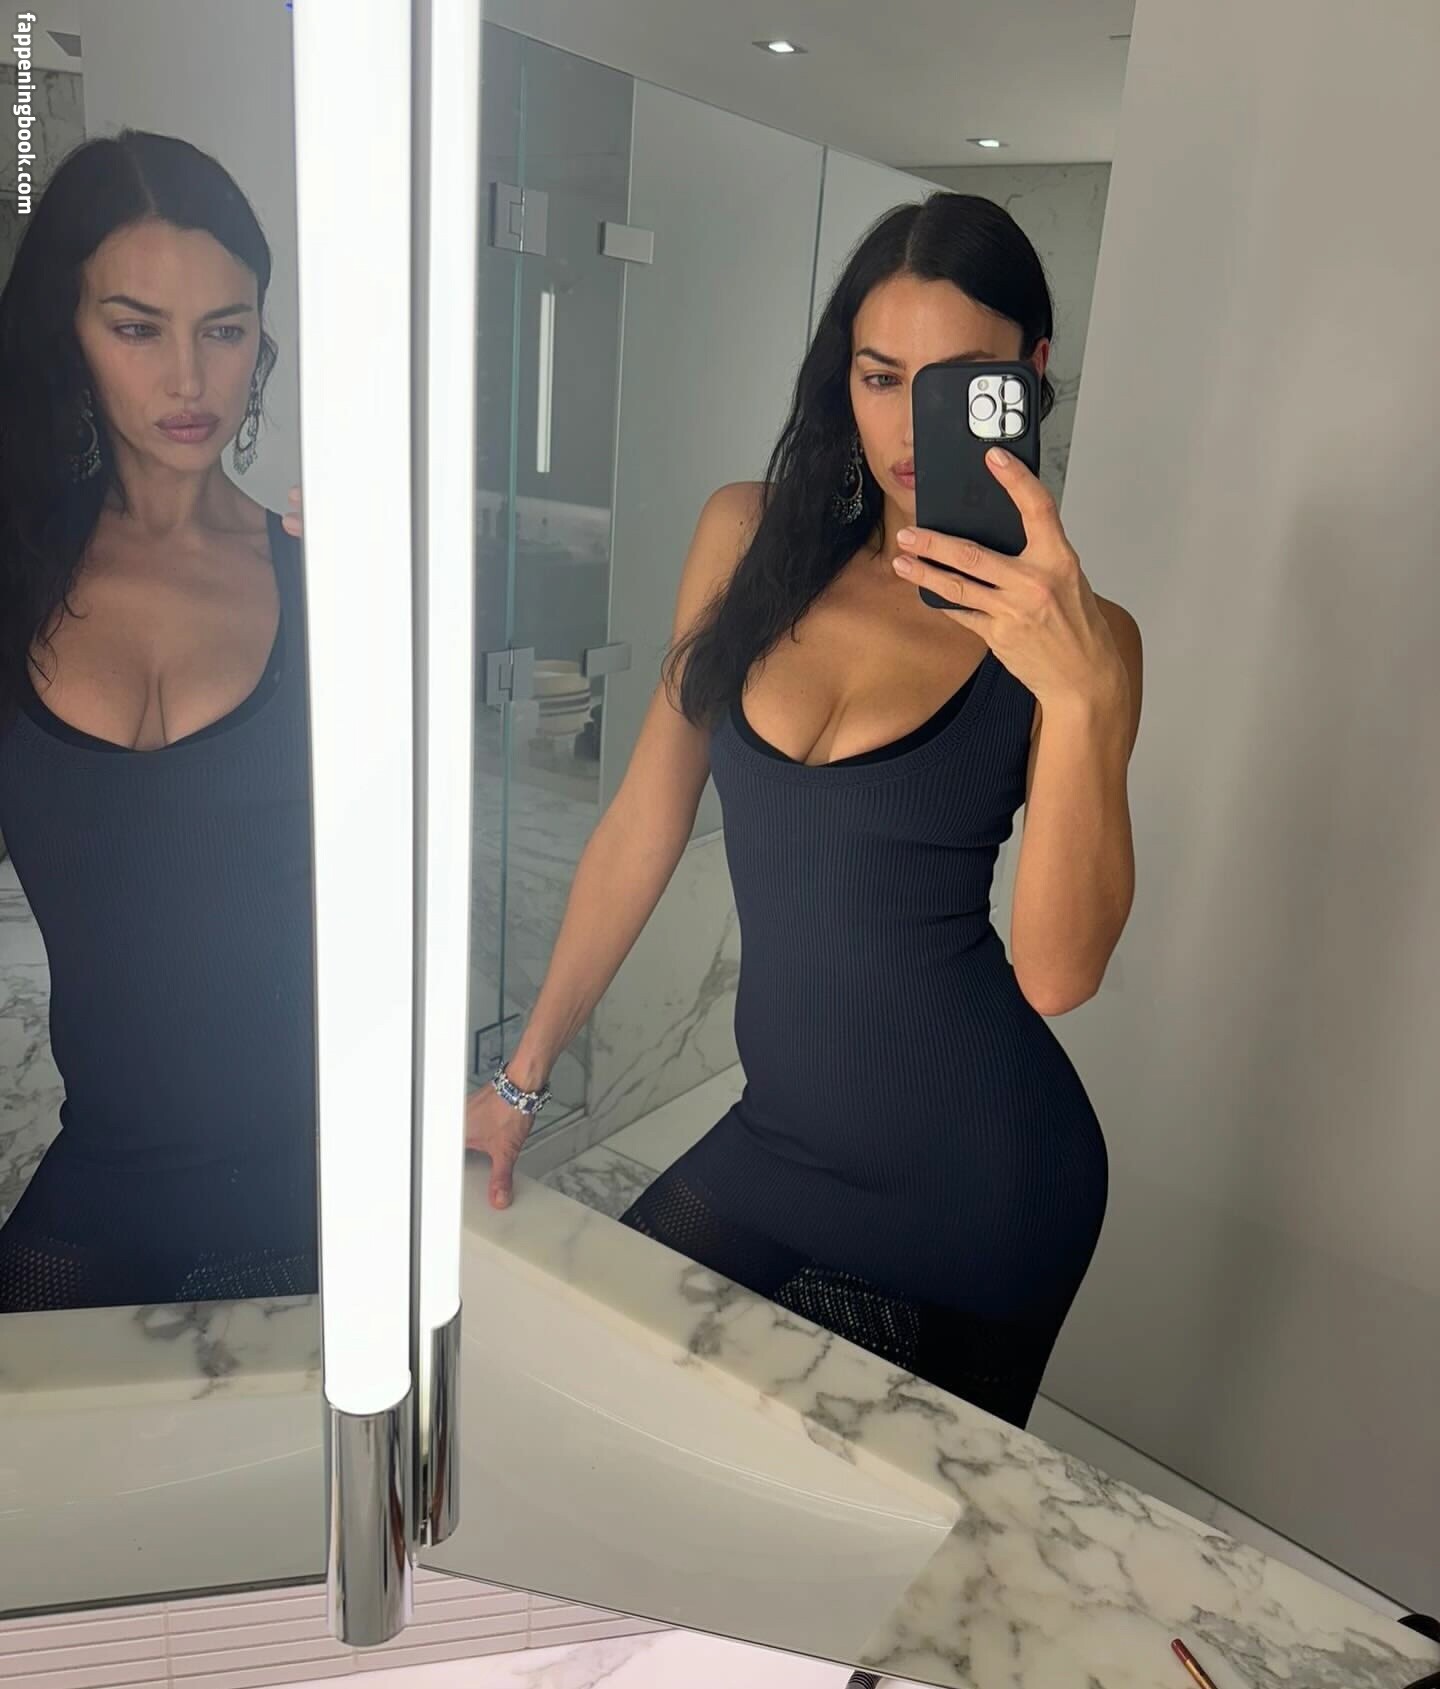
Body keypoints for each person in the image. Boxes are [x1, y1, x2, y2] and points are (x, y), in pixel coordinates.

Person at [465, 193, 1144, 1429]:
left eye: (957, 382)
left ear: (1030, 377)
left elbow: (1057, 975)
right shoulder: (746, 537)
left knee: (878, 1524)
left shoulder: (1086, 645)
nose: (909, 425)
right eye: (882, 377)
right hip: (776, 1139)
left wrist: (1082, 695)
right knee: (595, 1404)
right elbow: (643, 821)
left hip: (984, 1181)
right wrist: (518, 1084)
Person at [0, 130, 315, 1310]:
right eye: (138, 329)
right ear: (69, 335)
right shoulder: (13, 579)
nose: (189, 380)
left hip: (317, 1185)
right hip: (103, 1183)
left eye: (223, 331)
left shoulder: (324, 577)